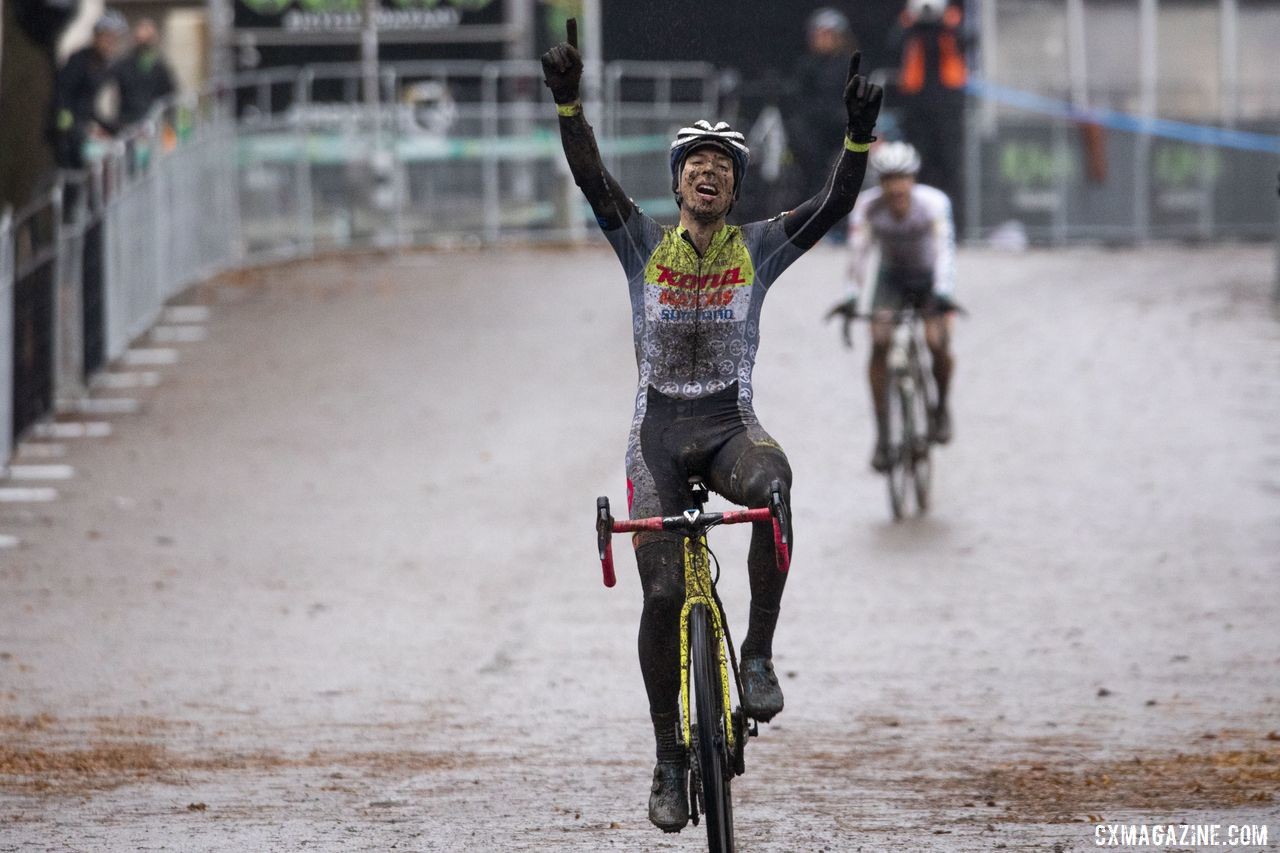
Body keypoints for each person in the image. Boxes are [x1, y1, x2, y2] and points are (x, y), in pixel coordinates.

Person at [541, 20, 882, 834]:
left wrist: (858, 140)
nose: (707, 172)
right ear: (676, 182)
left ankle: (758, 654)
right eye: (695, 163)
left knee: (776, 484)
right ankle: (667, 756)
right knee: (661, 594)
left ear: (734, 186)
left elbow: (836, 202)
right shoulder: (642, 242)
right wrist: (567, 103)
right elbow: (590, 175)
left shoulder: (761, 247)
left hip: (729, 426)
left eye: (722, 166)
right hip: (656, 437)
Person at [829, 141, 957, 472]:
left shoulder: (933, 204)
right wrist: (851, 296)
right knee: (881, 341)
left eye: (902, 178)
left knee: (935, 342)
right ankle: (884, 435)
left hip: (929, 280)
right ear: (880, 182)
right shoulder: (868, 209)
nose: (896, 186)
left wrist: (943, 293)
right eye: (888, 179)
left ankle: (941, 407)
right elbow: (858, 255)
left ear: (913, 179)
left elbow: (945, 251)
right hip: (892, 279)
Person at [891, 0, 968, 233]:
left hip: (947, 111)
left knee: (950, 168)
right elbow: (892, 48)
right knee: (917, 167)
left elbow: (967, 44)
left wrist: (947, 23)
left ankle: (955, 226)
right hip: (917, 112)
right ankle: (915, 224)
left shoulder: (952, 25)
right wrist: (908, 22)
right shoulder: (910, 27)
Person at [788, 7, 858, 199]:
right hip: (814, 127)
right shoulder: (806, 65)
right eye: (816, 34)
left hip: (841, 125)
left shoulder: (850, 64)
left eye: (825, 34)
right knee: (799, 131)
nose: (820, 38)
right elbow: (800, 100)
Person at [53, 11, 125, 168]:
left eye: (114, 39)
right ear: (96, 37)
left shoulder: (103, 66)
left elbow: (89, 107)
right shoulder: (79, 61)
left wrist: (114, 127)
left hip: (82, 125)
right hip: (68, 132)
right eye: (107, 38)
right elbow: (63, 96)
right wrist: (67, 128)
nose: (110, 44)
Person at [111, 18, 174, 128]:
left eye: (147, 39)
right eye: (140, 39)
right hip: (127, 121)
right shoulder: (123, 64)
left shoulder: (159, 67)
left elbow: (169, 94)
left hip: (152, 121)